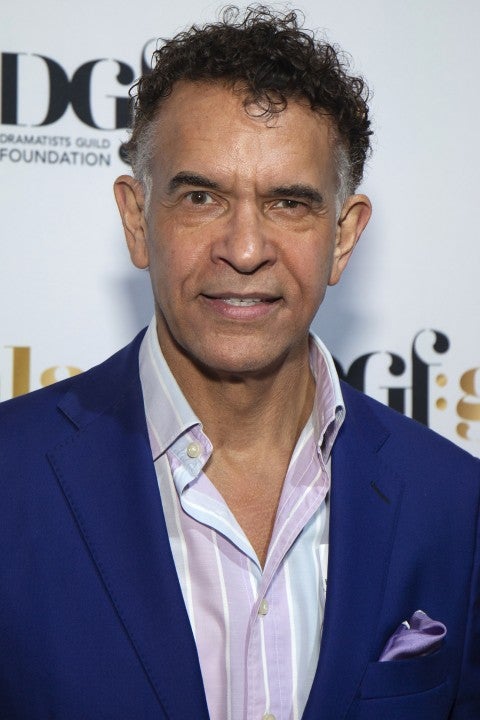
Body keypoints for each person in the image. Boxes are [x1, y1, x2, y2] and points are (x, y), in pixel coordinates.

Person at [0, 7, 479, 719]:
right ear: (137, 219)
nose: (246, 249)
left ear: (343, 238)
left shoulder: (454, 503)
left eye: (288, 203)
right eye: (202, 197)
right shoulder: (11, 475)